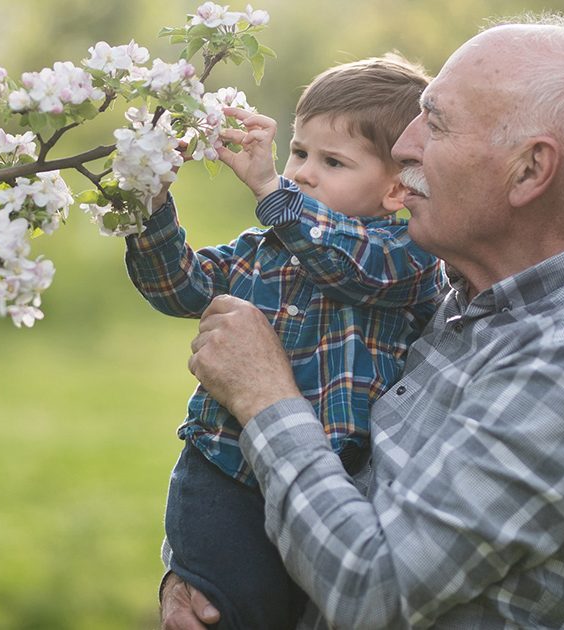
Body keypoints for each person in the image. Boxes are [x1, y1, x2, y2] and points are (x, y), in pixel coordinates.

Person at [167, 14, 564, 629]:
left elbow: (373, 589)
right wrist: (205, 575)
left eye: (435, 122)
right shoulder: (450, 292)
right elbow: (340, 500)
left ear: (528, 170)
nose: (403, 146)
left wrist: (263, 397)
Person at [125, 55, 446, 628]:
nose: (302, 172)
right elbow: (179, 289)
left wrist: (274, 191)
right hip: (223, 471)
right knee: (229, 611)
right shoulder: (266, 245)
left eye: (333, 161)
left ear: (397, 188)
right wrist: (150, 207)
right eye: (298, 152)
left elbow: (348, 264)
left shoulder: (408, 258)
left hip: (333, 486)